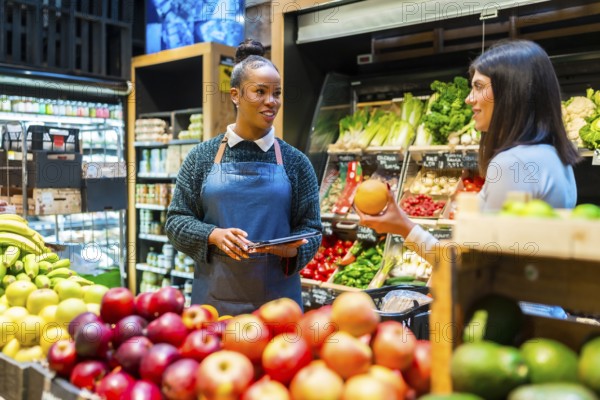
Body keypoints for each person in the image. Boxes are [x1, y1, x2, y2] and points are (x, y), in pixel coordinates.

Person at [357, 39, 580, 260]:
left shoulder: (513, 163)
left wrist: (404, 227)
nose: (468, 99)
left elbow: (472, 266)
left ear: (511, 92)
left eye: (479, 86)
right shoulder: (553, 154)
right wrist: (403, 226)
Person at [165, 39, 322, 315]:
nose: (271, 102)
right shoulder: (201, 157)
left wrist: (293, 250)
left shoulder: (297, 163)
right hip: (215, 305)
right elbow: (176, 221)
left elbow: (312, 229)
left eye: (277, 93)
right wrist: (212, 234)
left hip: (278, 308)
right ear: (235, 95)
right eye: (259, 92)